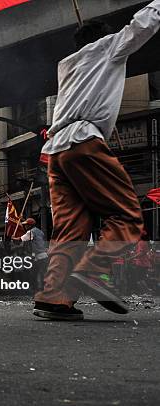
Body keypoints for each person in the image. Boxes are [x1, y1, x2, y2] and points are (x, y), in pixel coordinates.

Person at [32, 2, 160, 321]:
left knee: (70, 229)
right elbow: (140, 26)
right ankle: (91, 271)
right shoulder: (107, 48)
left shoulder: (68, 65)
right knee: (127, 215)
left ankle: (54, 296)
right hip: (84, 142)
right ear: (104, 38)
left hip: (57, 151)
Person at [12, 218, 48, 291]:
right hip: (44, 255)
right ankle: (44, 289)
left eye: (26, 225)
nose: (25, 226)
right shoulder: (40, 232)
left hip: (39, 256)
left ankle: (37, 289)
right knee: (43, 273)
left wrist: (13, 238)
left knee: (34, 273)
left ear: (30, 225)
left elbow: (20, 239)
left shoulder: (31, 232)